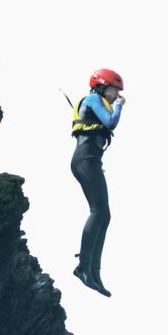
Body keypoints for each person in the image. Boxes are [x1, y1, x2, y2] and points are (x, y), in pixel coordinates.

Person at [70, 68, 125, 297]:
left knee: (105, 214)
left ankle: (94, 271)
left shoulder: (98, 101)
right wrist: (121, 105)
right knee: (99, 211)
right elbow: (110, 122)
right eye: (114, 90)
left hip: (91, 161)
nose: (116, 95)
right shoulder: (93, 99)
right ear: (102, 86)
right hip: (84, 161)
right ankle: (83, 267)